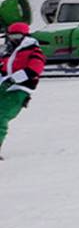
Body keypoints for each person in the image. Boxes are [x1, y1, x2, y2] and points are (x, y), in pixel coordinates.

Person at [0, 21, 46, 158]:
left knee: (1, 116)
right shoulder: (8, 52)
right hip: (4, 87)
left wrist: (14, 79)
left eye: (17, 36)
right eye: (11, 36)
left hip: (19, 89)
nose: (13, 39)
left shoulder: (34, 50)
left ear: (24, 36)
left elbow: (34, 69)